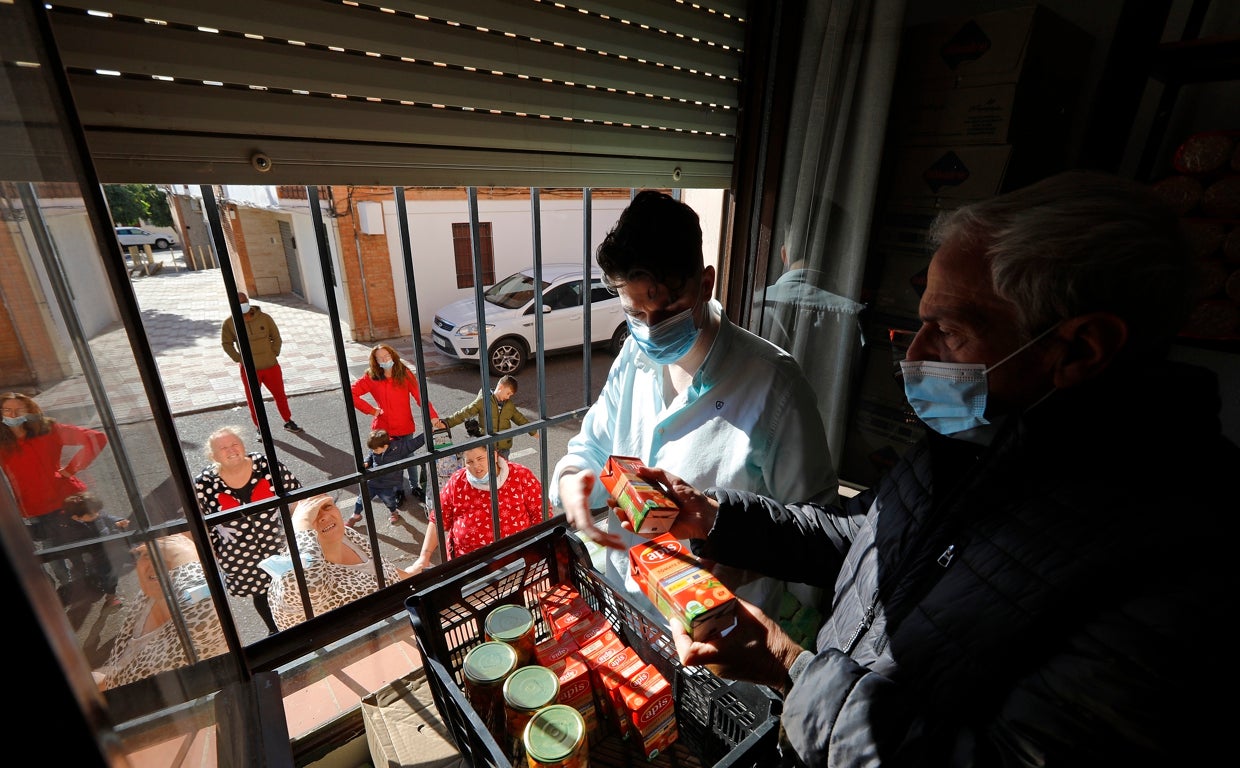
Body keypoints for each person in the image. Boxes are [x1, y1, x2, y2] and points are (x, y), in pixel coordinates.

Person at [632, 171, 1237, 766]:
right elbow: (859, 535)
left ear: (1080, 349)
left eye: (948, 331)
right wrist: (713, 515)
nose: (916, 356)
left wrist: (787, 663)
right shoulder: (973, 439)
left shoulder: (1178, 563)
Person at [550, 190, 838, 627]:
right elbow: (592, 447)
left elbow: (813, 533)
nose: (650, 329)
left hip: (721, 633)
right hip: (630, 608)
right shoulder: (633, 358)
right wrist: (574, 483)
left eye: (667, 309)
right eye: (634, 312)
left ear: (705, 284)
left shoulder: (775, 386)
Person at [192, 425, 301, 636]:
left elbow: (296, 495)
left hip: (279, 543)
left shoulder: (266, 465)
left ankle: (300, 626)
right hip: (240, 555)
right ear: (212, 455)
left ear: (243, 446)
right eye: (223, 448)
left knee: (290, 586)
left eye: (235, 444)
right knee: (260, 595)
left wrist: (300, 532)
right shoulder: (204, 483)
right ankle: (276, 631)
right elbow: (201, 523)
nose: (231, 450)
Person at [0, 391, 109, 590]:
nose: (13, 416)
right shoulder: (2, 441)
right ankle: (70, 589)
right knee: (53, 554)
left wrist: (71, 468)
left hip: (67, 500)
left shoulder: (49, 430)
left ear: (29, 410)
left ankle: (99, 585)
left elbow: (97, 438)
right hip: (34, 508)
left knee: (86, 547)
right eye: (7, 410)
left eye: (19, 410)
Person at [93, 534, 227, 691]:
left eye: (171, 556)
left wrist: (182, 551)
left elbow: (204, 604)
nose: (157, 565)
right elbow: (122, 673)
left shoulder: (202, 623)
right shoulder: (146, 598)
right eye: (148, 554)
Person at [261, 494, 413, 631]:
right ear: (297, 529)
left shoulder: (347, 535)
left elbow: (380, 567)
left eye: (327, 506)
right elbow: (312, 586)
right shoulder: (289, 573)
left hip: (400, 622)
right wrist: (302, 528)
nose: (323, 516)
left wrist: (412, 576)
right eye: (309, 516)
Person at [410, 421, 545, 573]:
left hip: (516, 561)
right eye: (469, 462)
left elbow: (541, 513)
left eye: (480, 459)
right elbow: (438, 519)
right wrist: (424, 556)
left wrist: (535, 553)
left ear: (493, 455)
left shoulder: (520, 475)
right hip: (469, 567)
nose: (476, 466)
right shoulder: (458, 481)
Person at [351, 343, 439, 502]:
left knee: (409, 457)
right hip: (383, 430)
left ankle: (414, 486)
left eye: (387, 356)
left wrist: (432, 415)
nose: (385, 360)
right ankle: (397, 490)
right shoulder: (371, 376)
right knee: (390, 463)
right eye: (380, 358)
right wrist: (371, 410)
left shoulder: (404, 373)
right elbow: (352, 393)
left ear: (393, 355)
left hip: (404, 426)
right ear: (375, 361)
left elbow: (420, 397)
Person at [221, 290, 303, 434]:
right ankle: (260, 428)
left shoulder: (265, 318)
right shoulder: (229, 323)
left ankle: (288, 421)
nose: (241, 305)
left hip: (271, 366)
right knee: (254, 401)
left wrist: (273, 353)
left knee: (280, 395)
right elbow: (226, 343)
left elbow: (276, 337)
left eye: (243, 301)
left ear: (248, 301)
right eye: (237, 303)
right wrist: (239, 358)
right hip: (249, 370)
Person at [433, 374, 537, 459]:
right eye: (508, 393)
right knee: (488, 473)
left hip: (504, 447)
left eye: (510, 395)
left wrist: (533, 431)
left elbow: (520, 419)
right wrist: (447, 423)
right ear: (500, 387)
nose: (508, 397)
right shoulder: (483, 401)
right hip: (487, 446)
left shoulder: (509, 405)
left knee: (503, 473)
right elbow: (464, 413)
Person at [61, 491, 130, 608]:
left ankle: (109, 593)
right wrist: (115, 527)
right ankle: (109, 594)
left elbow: (107, 517)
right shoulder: (77, 529)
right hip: (99, 557)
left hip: (108, 555)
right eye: (93, 514)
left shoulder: (94, 514)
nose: (97, 515)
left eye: (98, 511)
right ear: (77, 518)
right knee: (107, 576)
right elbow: (102, 538)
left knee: (109, 576)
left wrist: (119, 520)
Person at [345, 429, 406, 528]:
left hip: (387, 484)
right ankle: (356, 514)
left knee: (389, 500)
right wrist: (366, 463)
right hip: (372, 481)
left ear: (385, 446)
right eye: (372, 449)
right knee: (362, 499)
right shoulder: (375, 448)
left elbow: (413, 444)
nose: (374, 451)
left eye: (375, 450)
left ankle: (394, 512)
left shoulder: (394, 451)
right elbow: (370, 456)